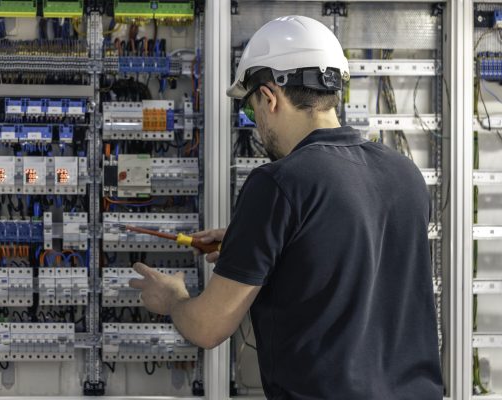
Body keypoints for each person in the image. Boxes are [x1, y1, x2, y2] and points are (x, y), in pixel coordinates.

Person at [129, 15, 443, 399]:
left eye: (250, 111)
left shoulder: (278, 183)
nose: (256, 124)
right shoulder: (405, 173)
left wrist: (173, 299)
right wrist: (256, 242)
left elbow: (207, 328)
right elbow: (352, 254)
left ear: (270, 97)